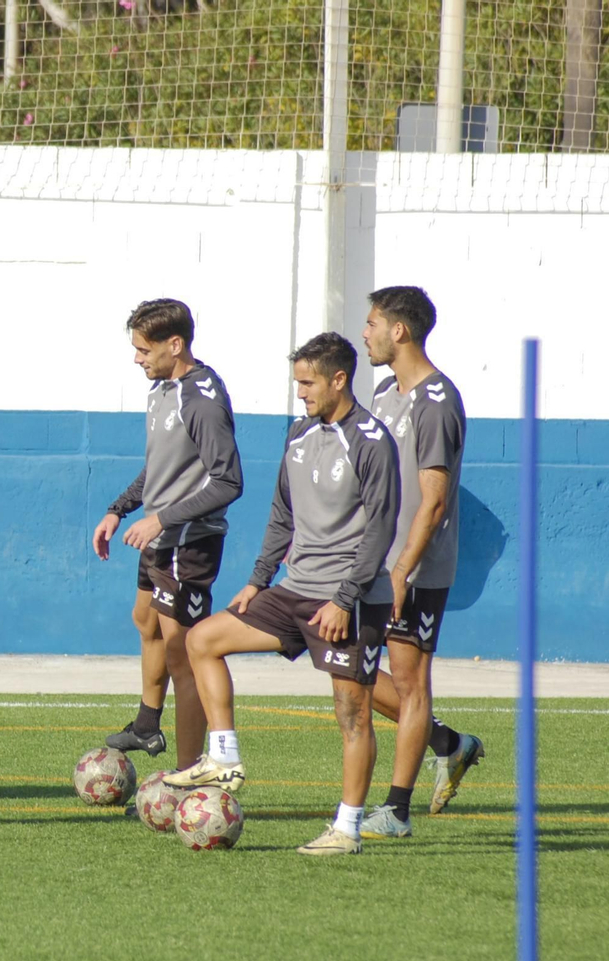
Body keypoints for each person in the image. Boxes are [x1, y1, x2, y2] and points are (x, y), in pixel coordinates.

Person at [166, 332, 400, 856]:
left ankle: (348, 828)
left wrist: (344, 599)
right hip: (291, 589)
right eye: (297, 383)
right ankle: (224, 757)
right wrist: (257, 579)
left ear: (340, 379)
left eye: (308, 383)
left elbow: (380, 528)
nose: (301, 393)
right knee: (202, 640)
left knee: (351, 711)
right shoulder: (298, 434)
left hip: (348, 598)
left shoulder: (370, 439)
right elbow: (282, 516)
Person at [93, 299, 242, 776]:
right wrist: (120, 509)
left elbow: (228, 482)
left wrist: (162, 520)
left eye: (143, 349)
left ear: (174, 345)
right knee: (145, 621)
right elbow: (162, 468)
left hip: (188, 545)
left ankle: (187, 772)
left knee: (184, 657)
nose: (137, 358)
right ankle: (147, 724)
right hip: (160, 538)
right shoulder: (162, 390)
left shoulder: (201, 400)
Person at [357, 286, 482, 837]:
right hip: (371, 561)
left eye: (371, 323)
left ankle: (397, 810)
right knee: (342, 664)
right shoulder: (386, 394)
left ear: (398, 331)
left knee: (409, 681)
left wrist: (402, 569)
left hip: (414, 570)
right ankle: (449, 744)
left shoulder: (437, 401)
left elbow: (432, 500)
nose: (365, 333)